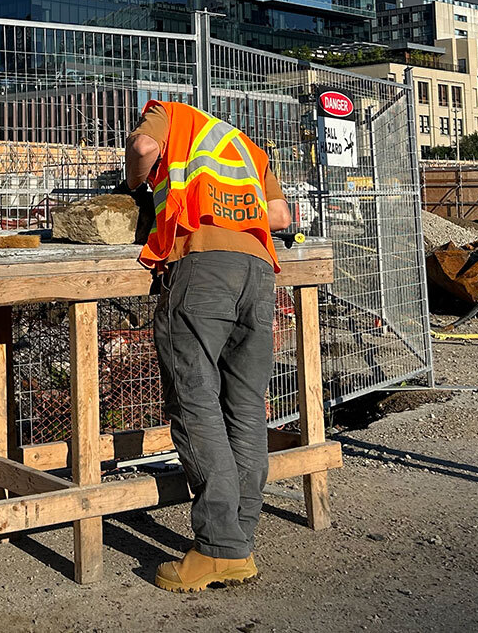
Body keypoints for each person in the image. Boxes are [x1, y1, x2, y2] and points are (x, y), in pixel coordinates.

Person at [124, 98, 292, 593]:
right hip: (259, 274)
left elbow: (143, 146)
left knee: (195, 401)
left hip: (203, 268)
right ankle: (239, 538)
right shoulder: (245, 147)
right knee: (244, 408)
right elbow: (279, 215)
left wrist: (135, 182)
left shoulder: (168, 113)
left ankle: (219, 548)